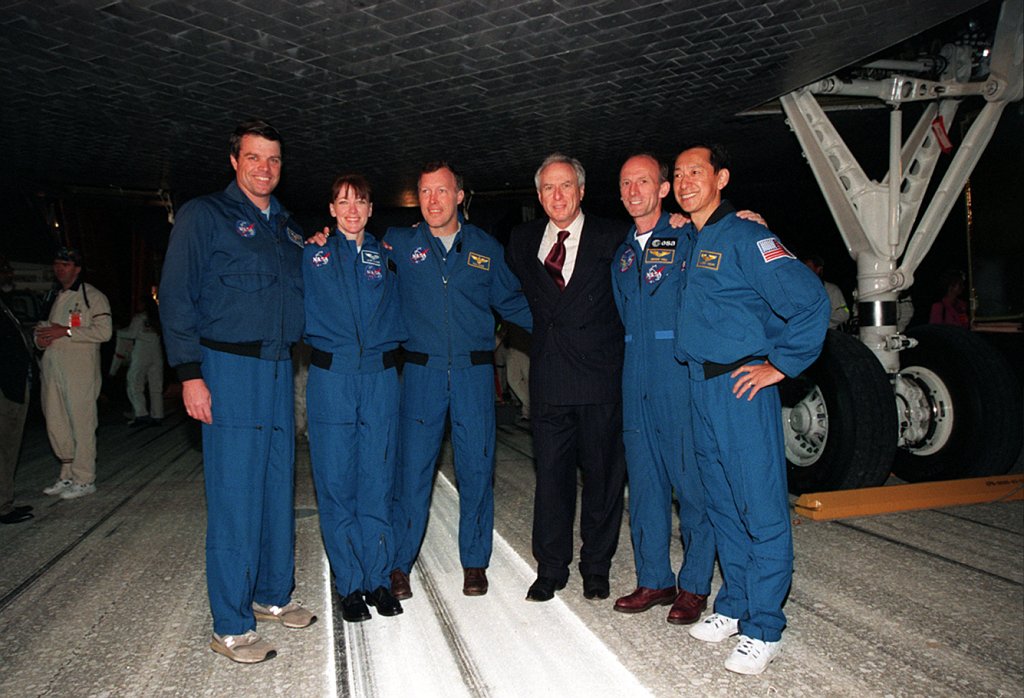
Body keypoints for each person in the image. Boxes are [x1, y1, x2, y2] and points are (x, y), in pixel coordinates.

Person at [159, 119, 315, 664]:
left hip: (277, 370)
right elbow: (176, 296)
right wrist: (189, 373)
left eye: (273, 159)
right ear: (234, 161)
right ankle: (230, 624)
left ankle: (273, 594)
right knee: (234, 497)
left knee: (277, 487)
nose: (264, 168)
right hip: (226, 370)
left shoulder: (290, 229)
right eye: (253, 158)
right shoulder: (205, 216)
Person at [673, 144, 828, 675]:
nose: (685, 180)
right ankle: (736, 604)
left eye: (697, 171)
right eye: (678, 174)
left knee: (760, 507)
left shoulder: (746, 235)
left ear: (721, 177)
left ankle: (765, 625)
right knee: (722, 504)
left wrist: (780, 365)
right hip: (699, 386)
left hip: (740, 388)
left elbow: (809, 301)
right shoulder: (694, 238)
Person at [388, 161, 532, 599]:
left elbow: (515, 303)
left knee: (476, 467)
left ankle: (474, 562)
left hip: (472, 373)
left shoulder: (485, 249)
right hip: (420, 372)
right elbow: (360, 266)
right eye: (425, 191)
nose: (433, 200)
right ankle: (398, 564)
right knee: (411, 471)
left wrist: (567, 332)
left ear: (458, 197)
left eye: (441, 191)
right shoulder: (398, 245)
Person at [506, 153, 627, 603]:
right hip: (551, 380)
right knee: (552, 481)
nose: (557, 196)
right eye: (548, 189)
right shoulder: (521, 240)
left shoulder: (614, 236)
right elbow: (509, 294)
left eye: (565, 187)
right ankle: (551, 567)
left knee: (602, 479)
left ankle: (597, 566)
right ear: (539, 196)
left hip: (600, 380)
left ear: (581, 191)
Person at [608, 154, 717, 622]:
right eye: (626, 182)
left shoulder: (689, 236)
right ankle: (654, 578)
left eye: (644, 181)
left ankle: (694, 584)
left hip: (677, 376)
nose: (635, 190)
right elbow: (623, 314)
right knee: (646, 487)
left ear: (663, 189)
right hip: (636, 380)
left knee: (692, 485)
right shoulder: (623, 254)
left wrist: (747, 215)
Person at [303, 174, 406, 623]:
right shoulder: (311, 254)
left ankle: (378, 580)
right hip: (332, 378)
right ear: (331, 209)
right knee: (336, 482)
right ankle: (349, 584)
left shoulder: (386, 258)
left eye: (360, 202)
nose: (351, 209)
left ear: (370, 210)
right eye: (342, 201)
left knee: (377, 482)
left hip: (380, 378)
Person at [35, 247, 112, 501]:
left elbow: (104, 332)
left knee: (81, 422)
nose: (60, 268)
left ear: (77, 268)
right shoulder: (52, 296)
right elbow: (42, 329)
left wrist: (66, 331)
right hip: (52, 368)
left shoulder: (92, 296)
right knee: (56, 421)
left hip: (80, 371)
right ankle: (67, 473)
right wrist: (41, 340)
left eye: (65, 264)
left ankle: (84, 478)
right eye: (57, 263)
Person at [1, 289, 34, 524]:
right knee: (3, 448)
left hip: (14, 385)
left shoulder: (4, 304)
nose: (9, 273)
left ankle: (5, 500)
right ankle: (2, 506)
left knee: (9, 447)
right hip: (5, 387)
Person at [109, 296, 164, 427]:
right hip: (156, 353)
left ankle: (141, 414)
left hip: (142, 353)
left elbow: (132, 334)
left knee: (134, 383)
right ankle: (158, 415)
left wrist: (117, 332)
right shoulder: (157, 319)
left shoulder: (139, 318)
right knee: (156, 386)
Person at [802, 255, 850, 329]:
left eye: (808, 267)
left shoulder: (832, 290)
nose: (804, 270)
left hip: (828, 335)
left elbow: (844, 314)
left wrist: (820, 317)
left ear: (818, 269)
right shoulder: (799, 290)